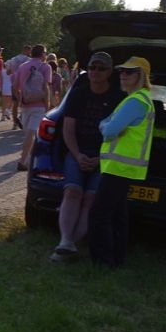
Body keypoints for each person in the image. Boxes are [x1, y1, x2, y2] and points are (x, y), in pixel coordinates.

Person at [49, 52, 124, 263]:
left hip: (105, 156)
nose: (95, 72)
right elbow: (68, 130)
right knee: (72, 192)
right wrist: (77, 155)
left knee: (91, 198)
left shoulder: (119, 99)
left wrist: (100, 158)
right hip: (78, 151)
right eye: (92, 67)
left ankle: (70, 245)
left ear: (109, 72)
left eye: (101, 68)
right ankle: (65, 240)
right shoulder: (78, 94)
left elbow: (122, 135)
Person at [87, 56, 155, 268]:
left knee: (99, 214)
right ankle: (116, 259)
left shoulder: (135, 101)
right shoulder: (138, 99)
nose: (123, 75)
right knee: (118, 215)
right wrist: (107, 126)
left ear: (141, 76)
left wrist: (107, 127)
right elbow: (107, 125)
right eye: (122, 71)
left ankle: (103, 262)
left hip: (119, 167)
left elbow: (109, 130)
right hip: (123, 167)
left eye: (129, 72)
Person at [13, 44, 53, 171]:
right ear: (43, 54)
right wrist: (47, 106)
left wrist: (21, 99)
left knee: (28, 133)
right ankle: (23, 161)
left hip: (25, 105)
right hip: (39, 104)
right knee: (31, 133)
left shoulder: (22, 66)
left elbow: (15, 87)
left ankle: (27, 159)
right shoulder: (45, 67)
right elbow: (46, 88)